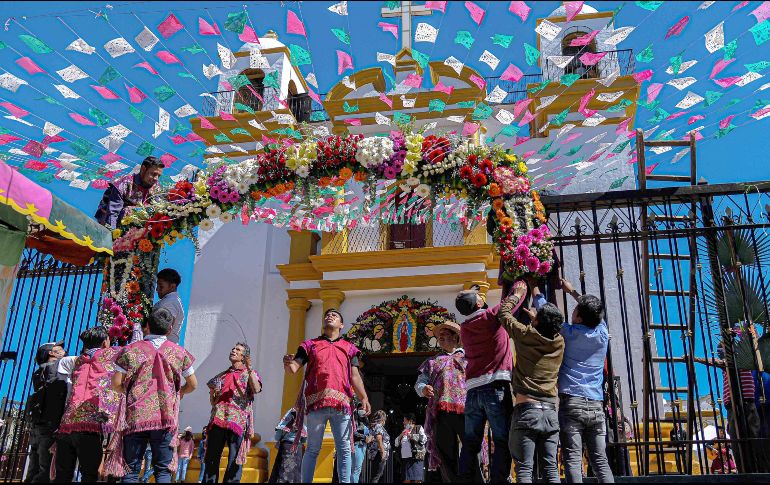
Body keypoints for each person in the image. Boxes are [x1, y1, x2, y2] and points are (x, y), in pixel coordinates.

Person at [283, 308, 371, 483]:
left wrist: (364, 397)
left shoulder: (349, 348)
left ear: (341, 325)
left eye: (335, 315)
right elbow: (293, 369)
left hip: (342, 406)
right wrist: (287, 362)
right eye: (327, 315)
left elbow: (354, 376)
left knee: (345, 449)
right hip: (317, 404)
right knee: (312, 449)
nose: (330, 316)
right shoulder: (309, 345)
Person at [111, 307, 197, 483]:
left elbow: (116, 384)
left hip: (136, 415)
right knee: (163, 471)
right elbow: (192, 384)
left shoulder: (130, 350)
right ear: (169, 328)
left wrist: (128, 393)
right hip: (165, 416)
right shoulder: (179, 352)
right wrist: (178, 393)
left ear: (147, 326)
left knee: (131, 471)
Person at [546, 278, 614, 483]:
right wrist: (573, 291)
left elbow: (547, 316)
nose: (573, 311)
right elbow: (596, 313)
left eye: (576, 309)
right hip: (596, 404)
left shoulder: (569, 332)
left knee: (573, 459)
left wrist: (536, 292)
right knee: (600, 460)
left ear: (578, 317)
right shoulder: (602, 333)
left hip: (572, 402)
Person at [499, 281, 565, 483]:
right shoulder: (559, 342)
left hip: (527, 409)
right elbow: (546, 330)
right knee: (551, 470)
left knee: (525, 470)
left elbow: (503, 314)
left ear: (537, 322)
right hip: (550, 411)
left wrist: (517, 295)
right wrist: (539, 322)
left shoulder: (525, 334)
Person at [455, 285, 513, 482]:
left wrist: (470, 293)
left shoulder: (464, 327)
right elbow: (512, 303)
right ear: (480, 303)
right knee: (502, 439)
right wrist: (521, 289)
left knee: (471, 442)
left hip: (473, 390)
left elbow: (471, 304)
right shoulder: (490, 317)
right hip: (495, 385)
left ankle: (465, 479)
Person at [54, 326, 122, 483]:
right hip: (88, 425)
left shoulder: (78, 361)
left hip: (67, 425)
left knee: (62, 475)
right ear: (105, 342)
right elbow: (134, 349)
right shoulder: (109, 354)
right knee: (89, 475)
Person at [695, 336, 762, 473]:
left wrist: (696, 359)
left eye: (722, 349)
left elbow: (714, 361)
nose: (719, 351)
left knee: (747, 438)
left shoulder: (738, 361)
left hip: (743, 404)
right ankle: (748, 469)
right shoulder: (731, 363)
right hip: (734, 405)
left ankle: (752, 470)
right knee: (741, 438)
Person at [414, 320, 466, 483]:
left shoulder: (468, 357)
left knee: (471, 449)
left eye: (446, 334)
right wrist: (423, 389)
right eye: (439, 336)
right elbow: (420, 382)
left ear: (456, 337)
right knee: (445, 453)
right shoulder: (432, 361)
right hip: (441, 412)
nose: (441, 338)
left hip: (467, 410)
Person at [203, 342, 262, 483]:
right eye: (233, 348)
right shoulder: (222, 376)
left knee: (235, 460)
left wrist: (250, 368)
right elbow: (213, 401)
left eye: (238, 349)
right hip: (218, 419)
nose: (233, 350)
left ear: (244, 356)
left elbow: (257, 389)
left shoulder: (250, 373)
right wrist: (214, 394)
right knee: (211, 458)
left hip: (237, 421)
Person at [24, 341, 69, 483]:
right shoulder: (56, 367)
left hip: (38, 423)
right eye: (59, 347)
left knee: (34, 465)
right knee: (47, 467)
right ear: (51, 352)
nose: (63, 349)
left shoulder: (39, 371)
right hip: (51, 423)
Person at [95, 156, 164, 228]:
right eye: (153, 174)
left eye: (159, 176)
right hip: (110, 221)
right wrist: (112, 233)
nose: (156, 179)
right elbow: (113, 213)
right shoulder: (123, 183)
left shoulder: (157, 189)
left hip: (135, 228)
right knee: (128, 211)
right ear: (143, 169)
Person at [269, 408, 307, 483]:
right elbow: (304, 440)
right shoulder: (303, 427)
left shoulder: (283, 425)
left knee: (284, 468)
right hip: (298, 448)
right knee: (296, 470)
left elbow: (277, 437)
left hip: (286, 446)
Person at [153, 269, 185, 344]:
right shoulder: (173, 300)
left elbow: (163, 329)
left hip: (161, 347)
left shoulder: (170, 302)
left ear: (172, 287)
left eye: (161, 286)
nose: (157, 289)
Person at [395, 414, 427, 483]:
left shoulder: (418, 428)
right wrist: (401, 435)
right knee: (406, 479)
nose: (403, 422)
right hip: (406, 460)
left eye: (404, 421)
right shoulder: (404, 430)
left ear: (410, 421)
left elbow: (424, 439)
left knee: (417, 480)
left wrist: (412, 436)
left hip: (416, 459)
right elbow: (396, 443)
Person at [367, 410, 390, 483]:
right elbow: (379, 438)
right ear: (382, 419)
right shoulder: (378, 426)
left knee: (377, 475)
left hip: (375, 453)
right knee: (377, 476)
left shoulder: (374, 426)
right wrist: (382, 451)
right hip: (379, 454)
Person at [351, 400, 370, 483]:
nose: (363, 409)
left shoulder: (365, 421)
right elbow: (353, 432)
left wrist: (370, 437)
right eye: (361, 408)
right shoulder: (354, 420)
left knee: (357, 470)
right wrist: (365, 437)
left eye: (364, 408)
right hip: (356, 445)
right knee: (355, 470)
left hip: (363, 446)